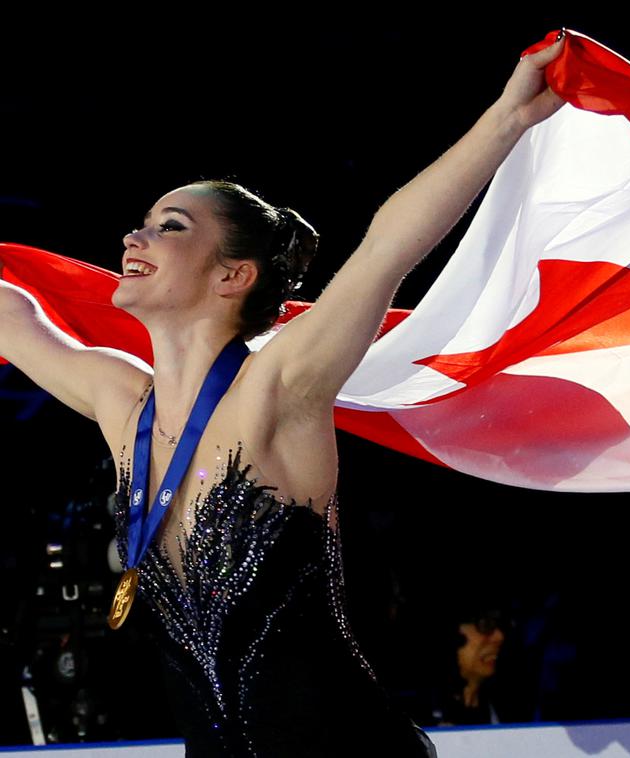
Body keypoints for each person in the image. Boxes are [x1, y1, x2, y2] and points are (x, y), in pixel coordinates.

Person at [0, 33, 567, 757]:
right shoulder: (123, 405)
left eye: (169, 227)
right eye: (142, 221)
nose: (133, 235)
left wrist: (505, 120)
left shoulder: (278, 384)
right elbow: (11, 319)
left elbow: (387, 248)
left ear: (232, 276)